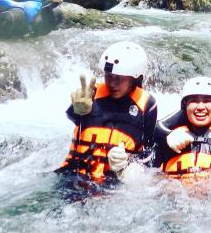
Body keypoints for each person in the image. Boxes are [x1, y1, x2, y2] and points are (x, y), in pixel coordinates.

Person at [58, 41, 157, 186]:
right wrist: (77, 109)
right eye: (108, 76)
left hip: (111, 183)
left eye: (119, 78)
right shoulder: (91, 92)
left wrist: (128, 164)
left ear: (135, 78)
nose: (112, 83)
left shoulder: (147, 105)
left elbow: (148, 153)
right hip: (73, 176)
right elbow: (73, 117)